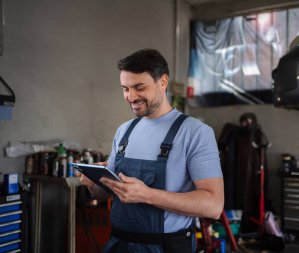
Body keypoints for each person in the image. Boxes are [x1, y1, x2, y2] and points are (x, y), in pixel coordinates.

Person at [80, 48, 224, 253]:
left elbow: (213, 206)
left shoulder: (195, 132)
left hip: (165, 247)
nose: (131, 97)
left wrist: (147, 195)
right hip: (118, 244)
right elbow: (107, 195)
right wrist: (93, 183)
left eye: (139, 87)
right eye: (125, 89)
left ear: (163, 82)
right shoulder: (124, 132)